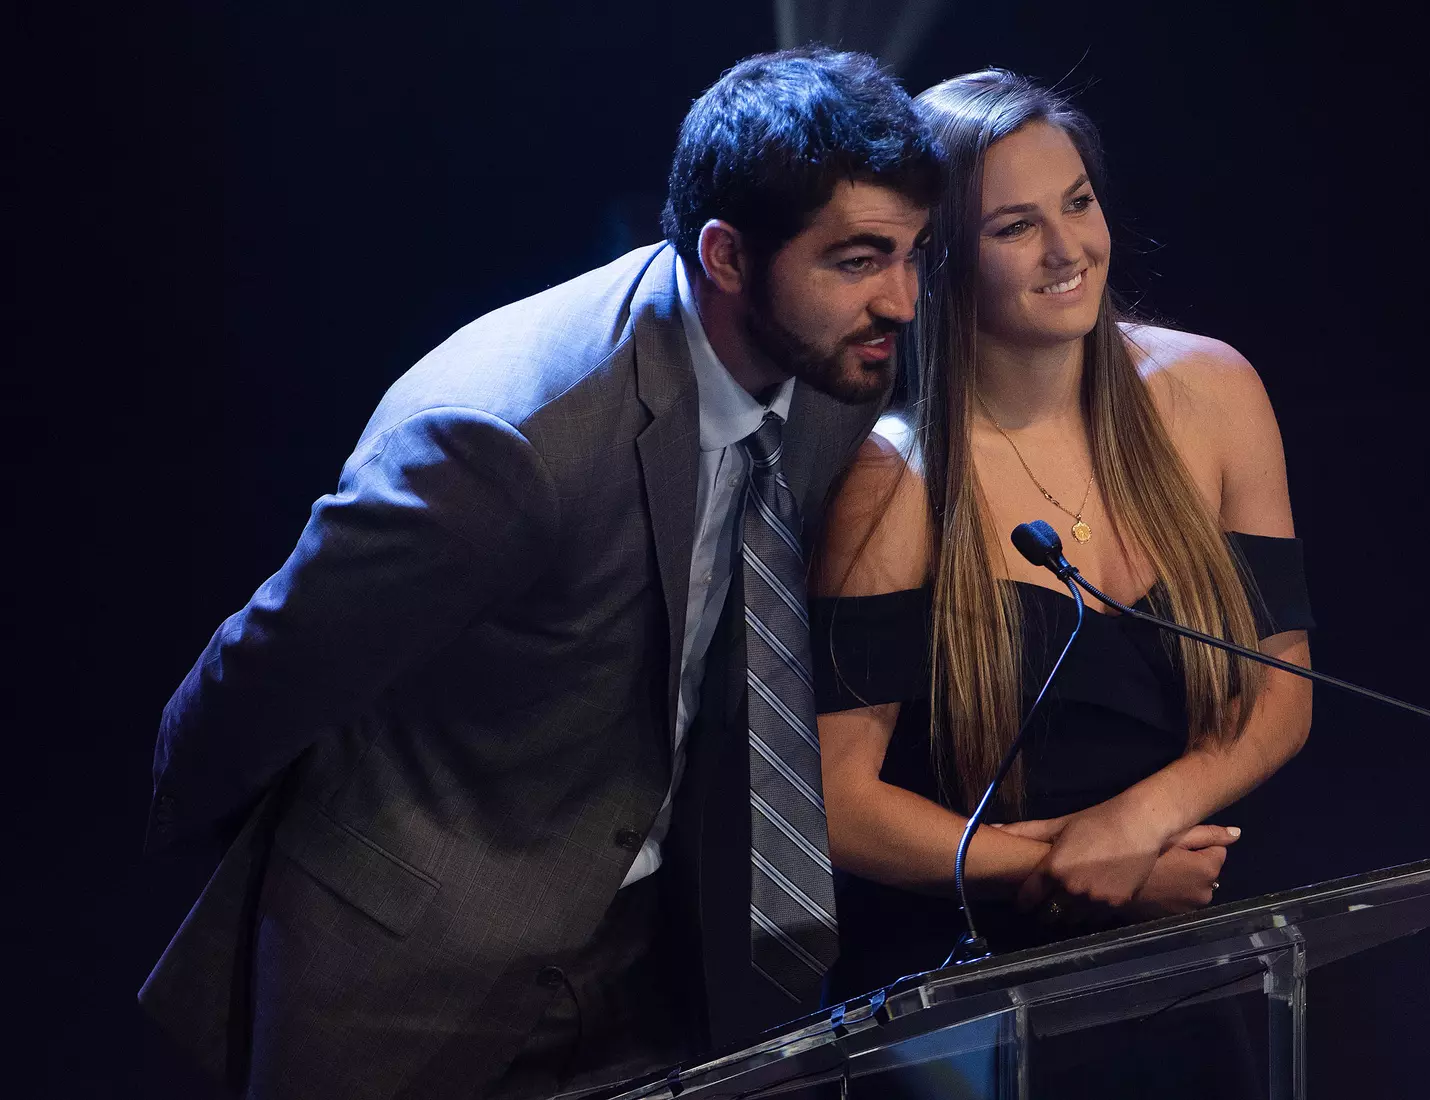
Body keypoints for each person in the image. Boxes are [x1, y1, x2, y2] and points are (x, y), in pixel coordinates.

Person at [140, 48, 942, 1100]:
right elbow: (253, 686)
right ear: (729, 257)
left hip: (649, 954)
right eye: (859, 258)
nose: (903, 300)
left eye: (913, 253)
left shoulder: (833, 376)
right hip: (408, 970)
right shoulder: (506, 440)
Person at [813, 68, 1316, 1010]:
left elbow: (1284, 681)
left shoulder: (1215, 391)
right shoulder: (892, 480)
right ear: (941, 260)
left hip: (1204, 939)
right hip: (976, 987)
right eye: (1015, 227)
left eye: (1077, 202)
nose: (1067, 247)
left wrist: (1142, 823)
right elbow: (840, 803)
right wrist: (1061, 867)